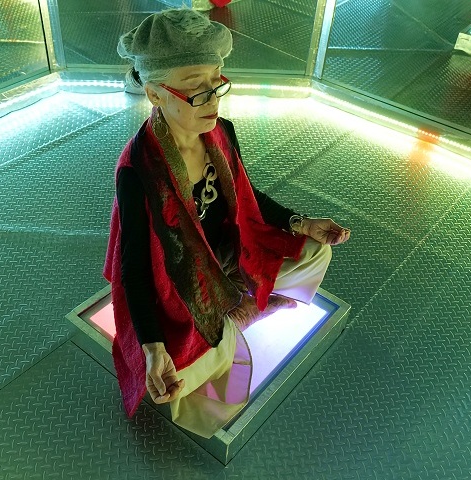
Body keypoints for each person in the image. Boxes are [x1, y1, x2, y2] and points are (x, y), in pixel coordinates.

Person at [103, 8, 351, 438]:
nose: (213, 101)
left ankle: (240, 307)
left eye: (217, 83)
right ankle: (234, 316)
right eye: (195, 90)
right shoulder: (138, 170)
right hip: (183, 284)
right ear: (155, 93)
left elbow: (249, 197)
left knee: (315, 253)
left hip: (229, 254)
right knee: (186, 380)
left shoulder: (221, 132)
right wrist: (153, 347)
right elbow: (134, 269)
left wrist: (300, 222)